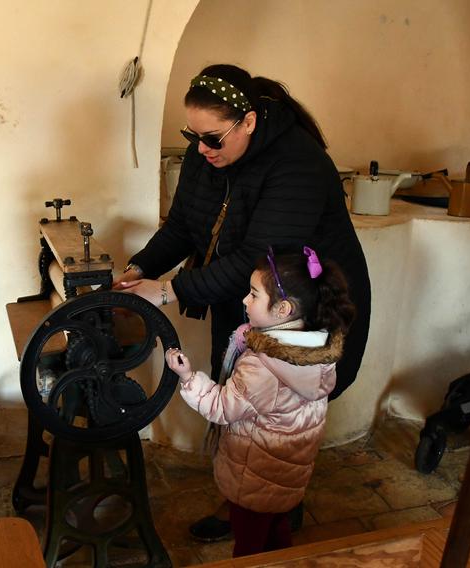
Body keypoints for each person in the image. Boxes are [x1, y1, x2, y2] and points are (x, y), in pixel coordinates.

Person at [115, 63, 371, 540]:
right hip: (251, 296)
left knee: (283, 416)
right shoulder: (205, 154)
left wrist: (169, 291)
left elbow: (260, 255)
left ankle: (271, 505)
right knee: (242, 395)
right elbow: (182, 226)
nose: (201, 148)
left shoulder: (298, 163)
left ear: (249, 121)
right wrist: (141, 269)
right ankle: (248, 498)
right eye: (192, 135)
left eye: (213, 138)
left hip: (302, 308)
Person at [164, 247, 355, 557]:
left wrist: (188, 377)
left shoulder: (263, 366)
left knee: (249, 547)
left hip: (255, 473)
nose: (245, 300)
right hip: (288, 472)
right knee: (276, 529)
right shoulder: (317, 349)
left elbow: (222, 408)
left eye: (254, 295)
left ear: (283, 310)